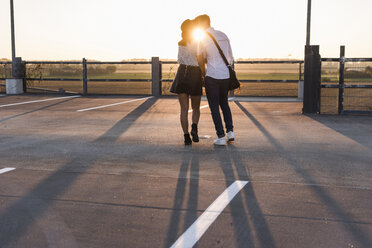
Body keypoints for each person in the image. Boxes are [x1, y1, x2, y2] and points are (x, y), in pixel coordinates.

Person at [195, 14, 235, 146]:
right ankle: (230, 132)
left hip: (212, 76)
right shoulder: (223, 35)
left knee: (214, 107)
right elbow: (231, 57)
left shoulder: (202, 39)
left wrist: (202, 74)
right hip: (225, 75)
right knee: (224, 104)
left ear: (202, 24)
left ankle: (220, 136)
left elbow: (201, 58)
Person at [170, 19, 203, 145]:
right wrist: (203, 74)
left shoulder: (180, 43)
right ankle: (194, 127)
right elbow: (200, 59)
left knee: (184, 109)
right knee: (196, 107)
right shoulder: (197, 42)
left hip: (182, 73)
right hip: (194, 73)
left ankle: (186, 137)